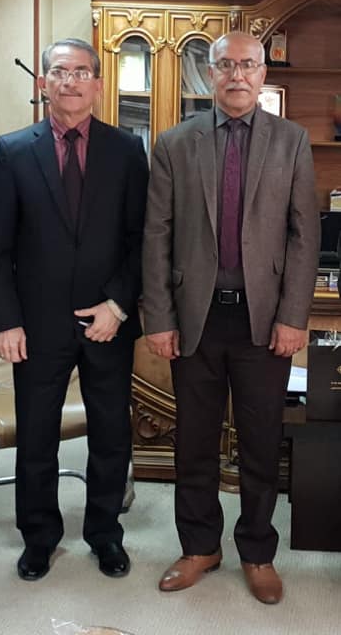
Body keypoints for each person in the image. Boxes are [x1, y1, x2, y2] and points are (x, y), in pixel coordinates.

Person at [143, 31, 319, 605]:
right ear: (211, 73)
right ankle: (200, 546)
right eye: (225, 65)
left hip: (263, 322)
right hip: (195, 319)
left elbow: (304, 236)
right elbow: (157, 235)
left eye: (248, 65)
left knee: (261, 442)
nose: (237, 75)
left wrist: (293, 316)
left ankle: (257, 552)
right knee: (193, 441)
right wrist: (159, 317)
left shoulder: (291, 140)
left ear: (263, 74)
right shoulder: (174, 143)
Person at [0, 37, 149, 582]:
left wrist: (119, 306)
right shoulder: (13, 150)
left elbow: (140, 239)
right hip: (37, 325)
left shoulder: (126, 150)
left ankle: (104, 533)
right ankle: (39, 537)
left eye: (82, 72)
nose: (71, 82)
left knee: (110, 434)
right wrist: (7, 321)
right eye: (60, 72)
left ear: (98, 84)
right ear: (43, 83)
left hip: (107, 322)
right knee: (36, 436)